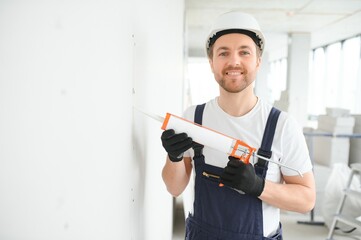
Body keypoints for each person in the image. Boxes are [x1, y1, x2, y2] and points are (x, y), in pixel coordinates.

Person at [161, 11, 316, 240]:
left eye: (244, 52)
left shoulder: (282, 126)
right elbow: (174, 188)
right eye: (223, 53)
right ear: (212, 63)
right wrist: (173, 157)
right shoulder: (193, 117)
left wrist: (258, 186)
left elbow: (307, 199)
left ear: (258, 61)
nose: (234, 61)